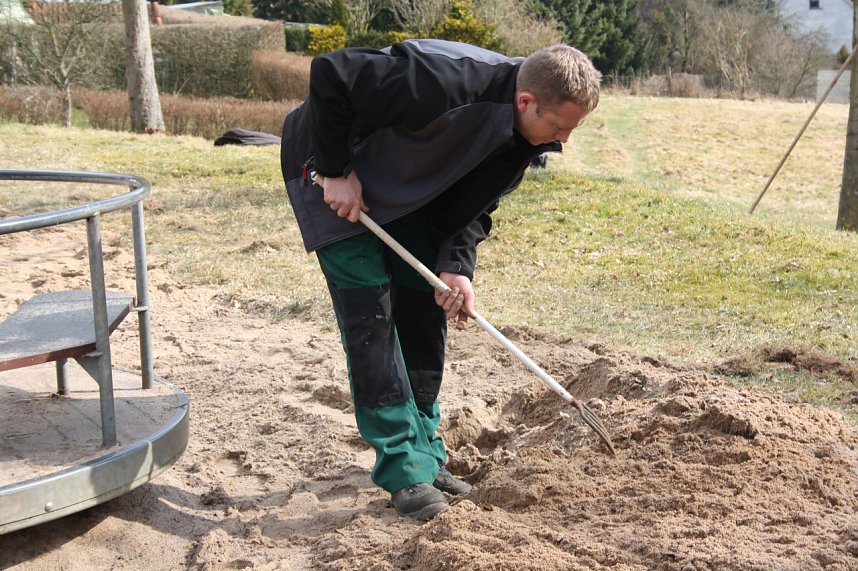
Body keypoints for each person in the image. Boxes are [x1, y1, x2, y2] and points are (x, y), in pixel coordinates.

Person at [280, 39, 601, 521]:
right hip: (329, 174)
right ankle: (404, 470)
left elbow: (473, 204)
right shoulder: (442, 80)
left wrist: (456, 265)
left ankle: (427, 454)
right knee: (372, 318)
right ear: (526, 102)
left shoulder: (525, 137)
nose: (564, 139)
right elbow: (332, 73)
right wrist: (334, 169)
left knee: (424, 310)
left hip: (412, 193)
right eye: (559, 127)